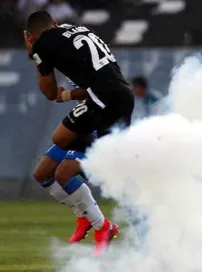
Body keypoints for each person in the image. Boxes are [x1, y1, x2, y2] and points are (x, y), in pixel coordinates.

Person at [24, 10, 134, 255]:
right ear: (54, 23)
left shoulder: (45, 43)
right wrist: (69, 95)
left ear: (30, 36)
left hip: (104, 103)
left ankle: (109, 224)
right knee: (44, 171)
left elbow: (50, 93)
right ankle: (90, 218)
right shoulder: (76, 33)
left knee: (81, 166)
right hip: (104, 99)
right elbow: (89, 86)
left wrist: (35, 54)